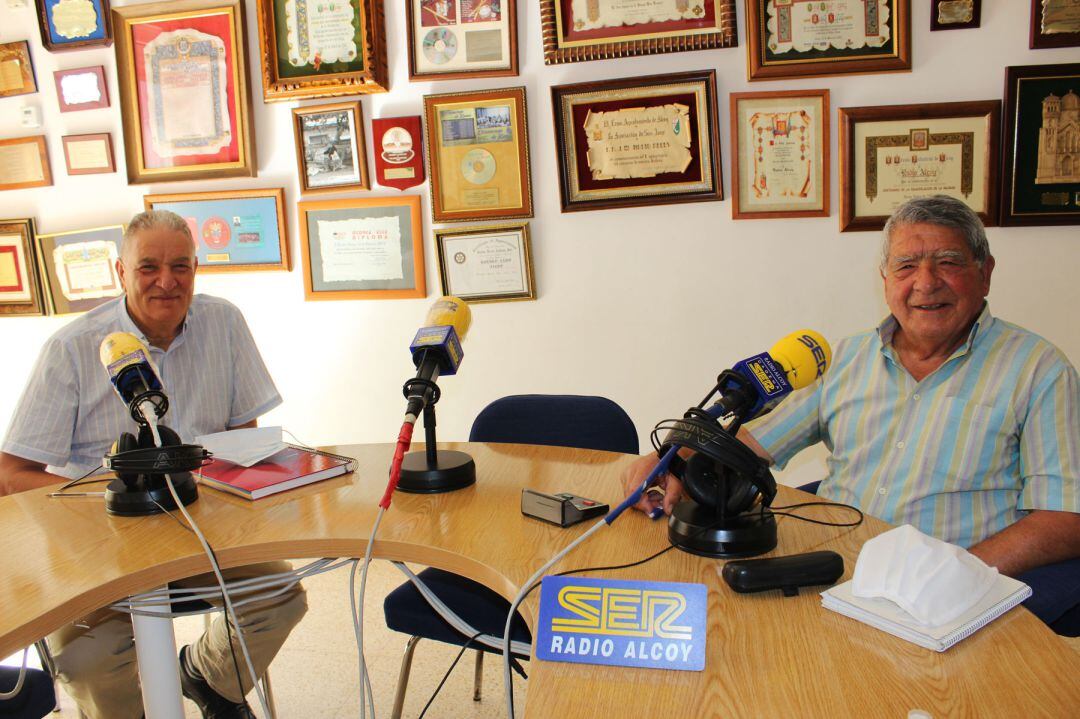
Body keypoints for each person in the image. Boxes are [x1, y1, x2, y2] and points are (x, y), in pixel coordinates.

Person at [623, 195, 1080, 630]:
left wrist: (959, 573)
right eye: (906, 265)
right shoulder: (843, 359)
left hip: (943, 601)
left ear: (985, 273)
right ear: (885, 280)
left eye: (949, 261)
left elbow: (1066, 519)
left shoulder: (1040, 370)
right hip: (831, 579)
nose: (925, 282)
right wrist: (669, 463)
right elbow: (747, 447)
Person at [0, 211, 307, 719]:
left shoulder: (223, 321)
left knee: (278, 598)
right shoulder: (72, 348)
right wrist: (97, 502)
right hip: (99, 536)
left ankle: (208, 678)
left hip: (199, 523)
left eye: (180, 266)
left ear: (195, 269)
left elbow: (240, 436)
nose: (167, 281)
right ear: (120, 272)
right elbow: (11, 475)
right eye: (148, 267)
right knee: (89, 662)